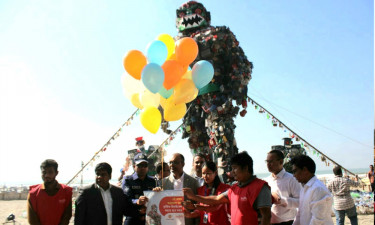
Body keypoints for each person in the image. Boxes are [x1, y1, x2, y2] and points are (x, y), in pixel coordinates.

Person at [183, 151, 272, 225]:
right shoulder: (234, 188)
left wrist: (194, 199)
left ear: (245, 168)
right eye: (232, 169)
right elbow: (216, 199)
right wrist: (194, 198)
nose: (232, 172)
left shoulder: (260, 187)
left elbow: (266, 216)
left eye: (235, 168)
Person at [75, 162, 139, 225]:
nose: (99, 177)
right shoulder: (86, 192)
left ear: (110, 176)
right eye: (97, 174)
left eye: (103, 174)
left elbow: (126, 210)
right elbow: (79, 217)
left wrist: (139, 211)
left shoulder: (118, 192)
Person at [155, 153, 200, 225]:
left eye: (175, 162)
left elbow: (198, 205)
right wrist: (156, 193)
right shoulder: (163, 183)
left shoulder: (193, 182)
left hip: (187, 222)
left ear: (183, 164)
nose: (172, 165)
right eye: (170, 162)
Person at [290, 155, 333, 225]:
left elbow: (317, 220)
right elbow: (300, 214)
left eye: (295, 171)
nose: (294, 175)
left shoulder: (317, 189)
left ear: (305, 170)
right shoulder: (304, 188)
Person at [28, 159, 72, 225]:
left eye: (50, 172)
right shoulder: (33, 194)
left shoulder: (66, 192)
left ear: (56, 173)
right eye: (44, 172)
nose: (46, 175)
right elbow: (32, 219)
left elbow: (67, 215)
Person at [264, 150, 301, 225]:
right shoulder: (266, 181)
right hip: (270, 222)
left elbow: (300, 202)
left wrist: (280, 200)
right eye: (267, 162)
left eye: (271, 161)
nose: (268, 164)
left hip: (287, 222)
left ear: (281, 162)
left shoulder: (292, 179)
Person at [122, 153, 156, 225]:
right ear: (134, 166)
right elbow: (126, 199)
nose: (142, 168)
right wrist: (137, 201)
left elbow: (156, 200)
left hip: (149, 218)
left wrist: (159, 192)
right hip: (132, 217)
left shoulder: (153, 181)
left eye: (145, 165)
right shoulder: (127, 180)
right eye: (140, 165)